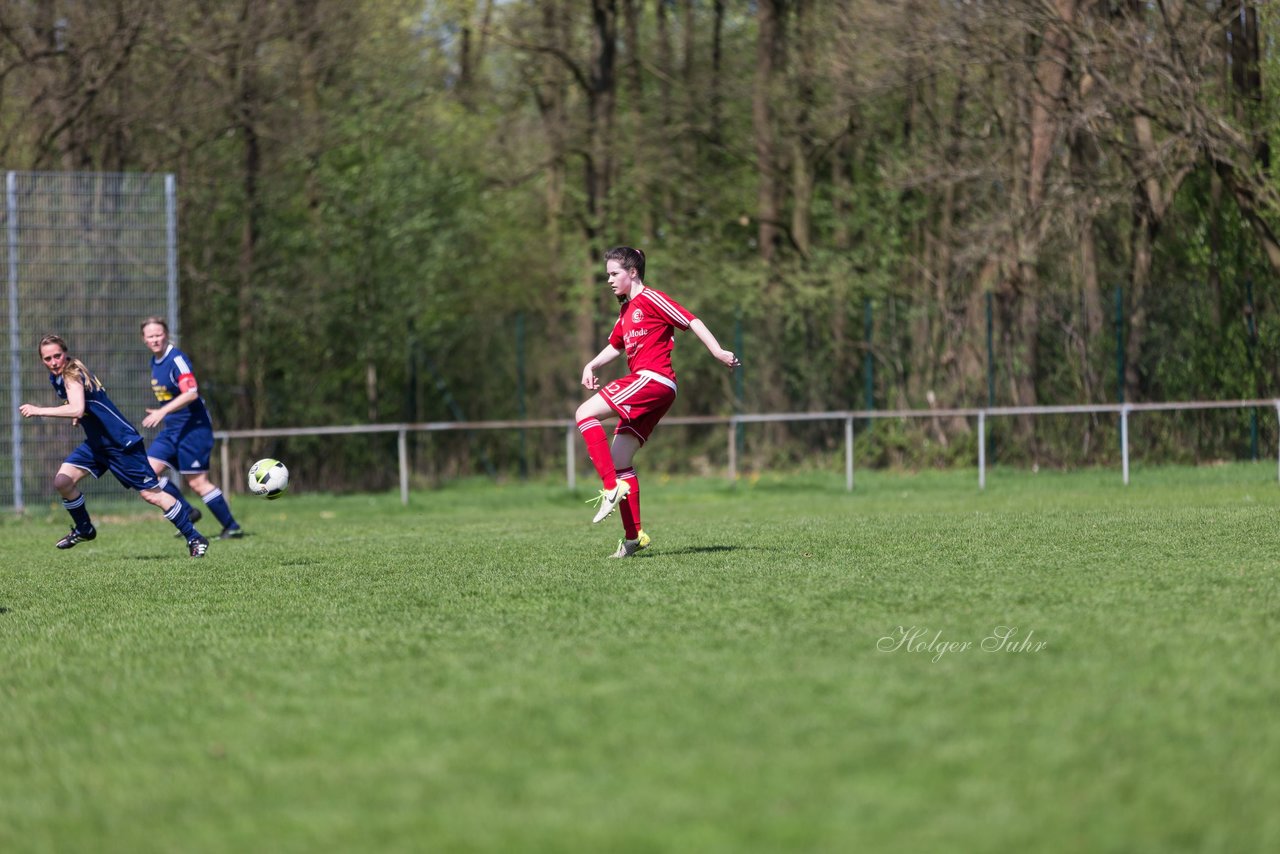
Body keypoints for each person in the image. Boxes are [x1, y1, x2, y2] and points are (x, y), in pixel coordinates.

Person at [576, 246, 740, 558]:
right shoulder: (626, 311)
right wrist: (591, 365)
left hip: (654, 379)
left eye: (614, 274)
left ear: (632, 272)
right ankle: (632, 537)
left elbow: (691, 320)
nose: (609, 280)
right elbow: (616, 346)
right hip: (654, 387)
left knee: (584, 413)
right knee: (620, 458)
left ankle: (611, 489)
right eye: (607, 275)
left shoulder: (651, 298)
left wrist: (717, 351)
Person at [18, 334, 210, 557]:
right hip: (98, 444)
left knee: (152, 494)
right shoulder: (58, 377)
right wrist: (79, 415)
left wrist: (40, 410)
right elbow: (89, 403)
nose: (53, 362)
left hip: (120, 443)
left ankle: (195, 537)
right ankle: (85, 528)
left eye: (57, 356)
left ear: (65, 353)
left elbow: (77, 407)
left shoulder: (70, 373)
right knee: (63, 481)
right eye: (47, 358)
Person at [138, 317, 243, 540]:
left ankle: (232, 526)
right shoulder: (154, 362)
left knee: (197, 483)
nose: (155, 339)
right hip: (172, 429)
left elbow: (191, 392)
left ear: (166, 335)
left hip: (194, 428)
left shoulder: (177, 359)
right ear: (144, 339)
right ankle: (187, 511)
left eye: (159, 334)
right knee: (145, 473)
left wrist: (162, 411)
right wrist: (164, 413)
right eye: (150, 336)